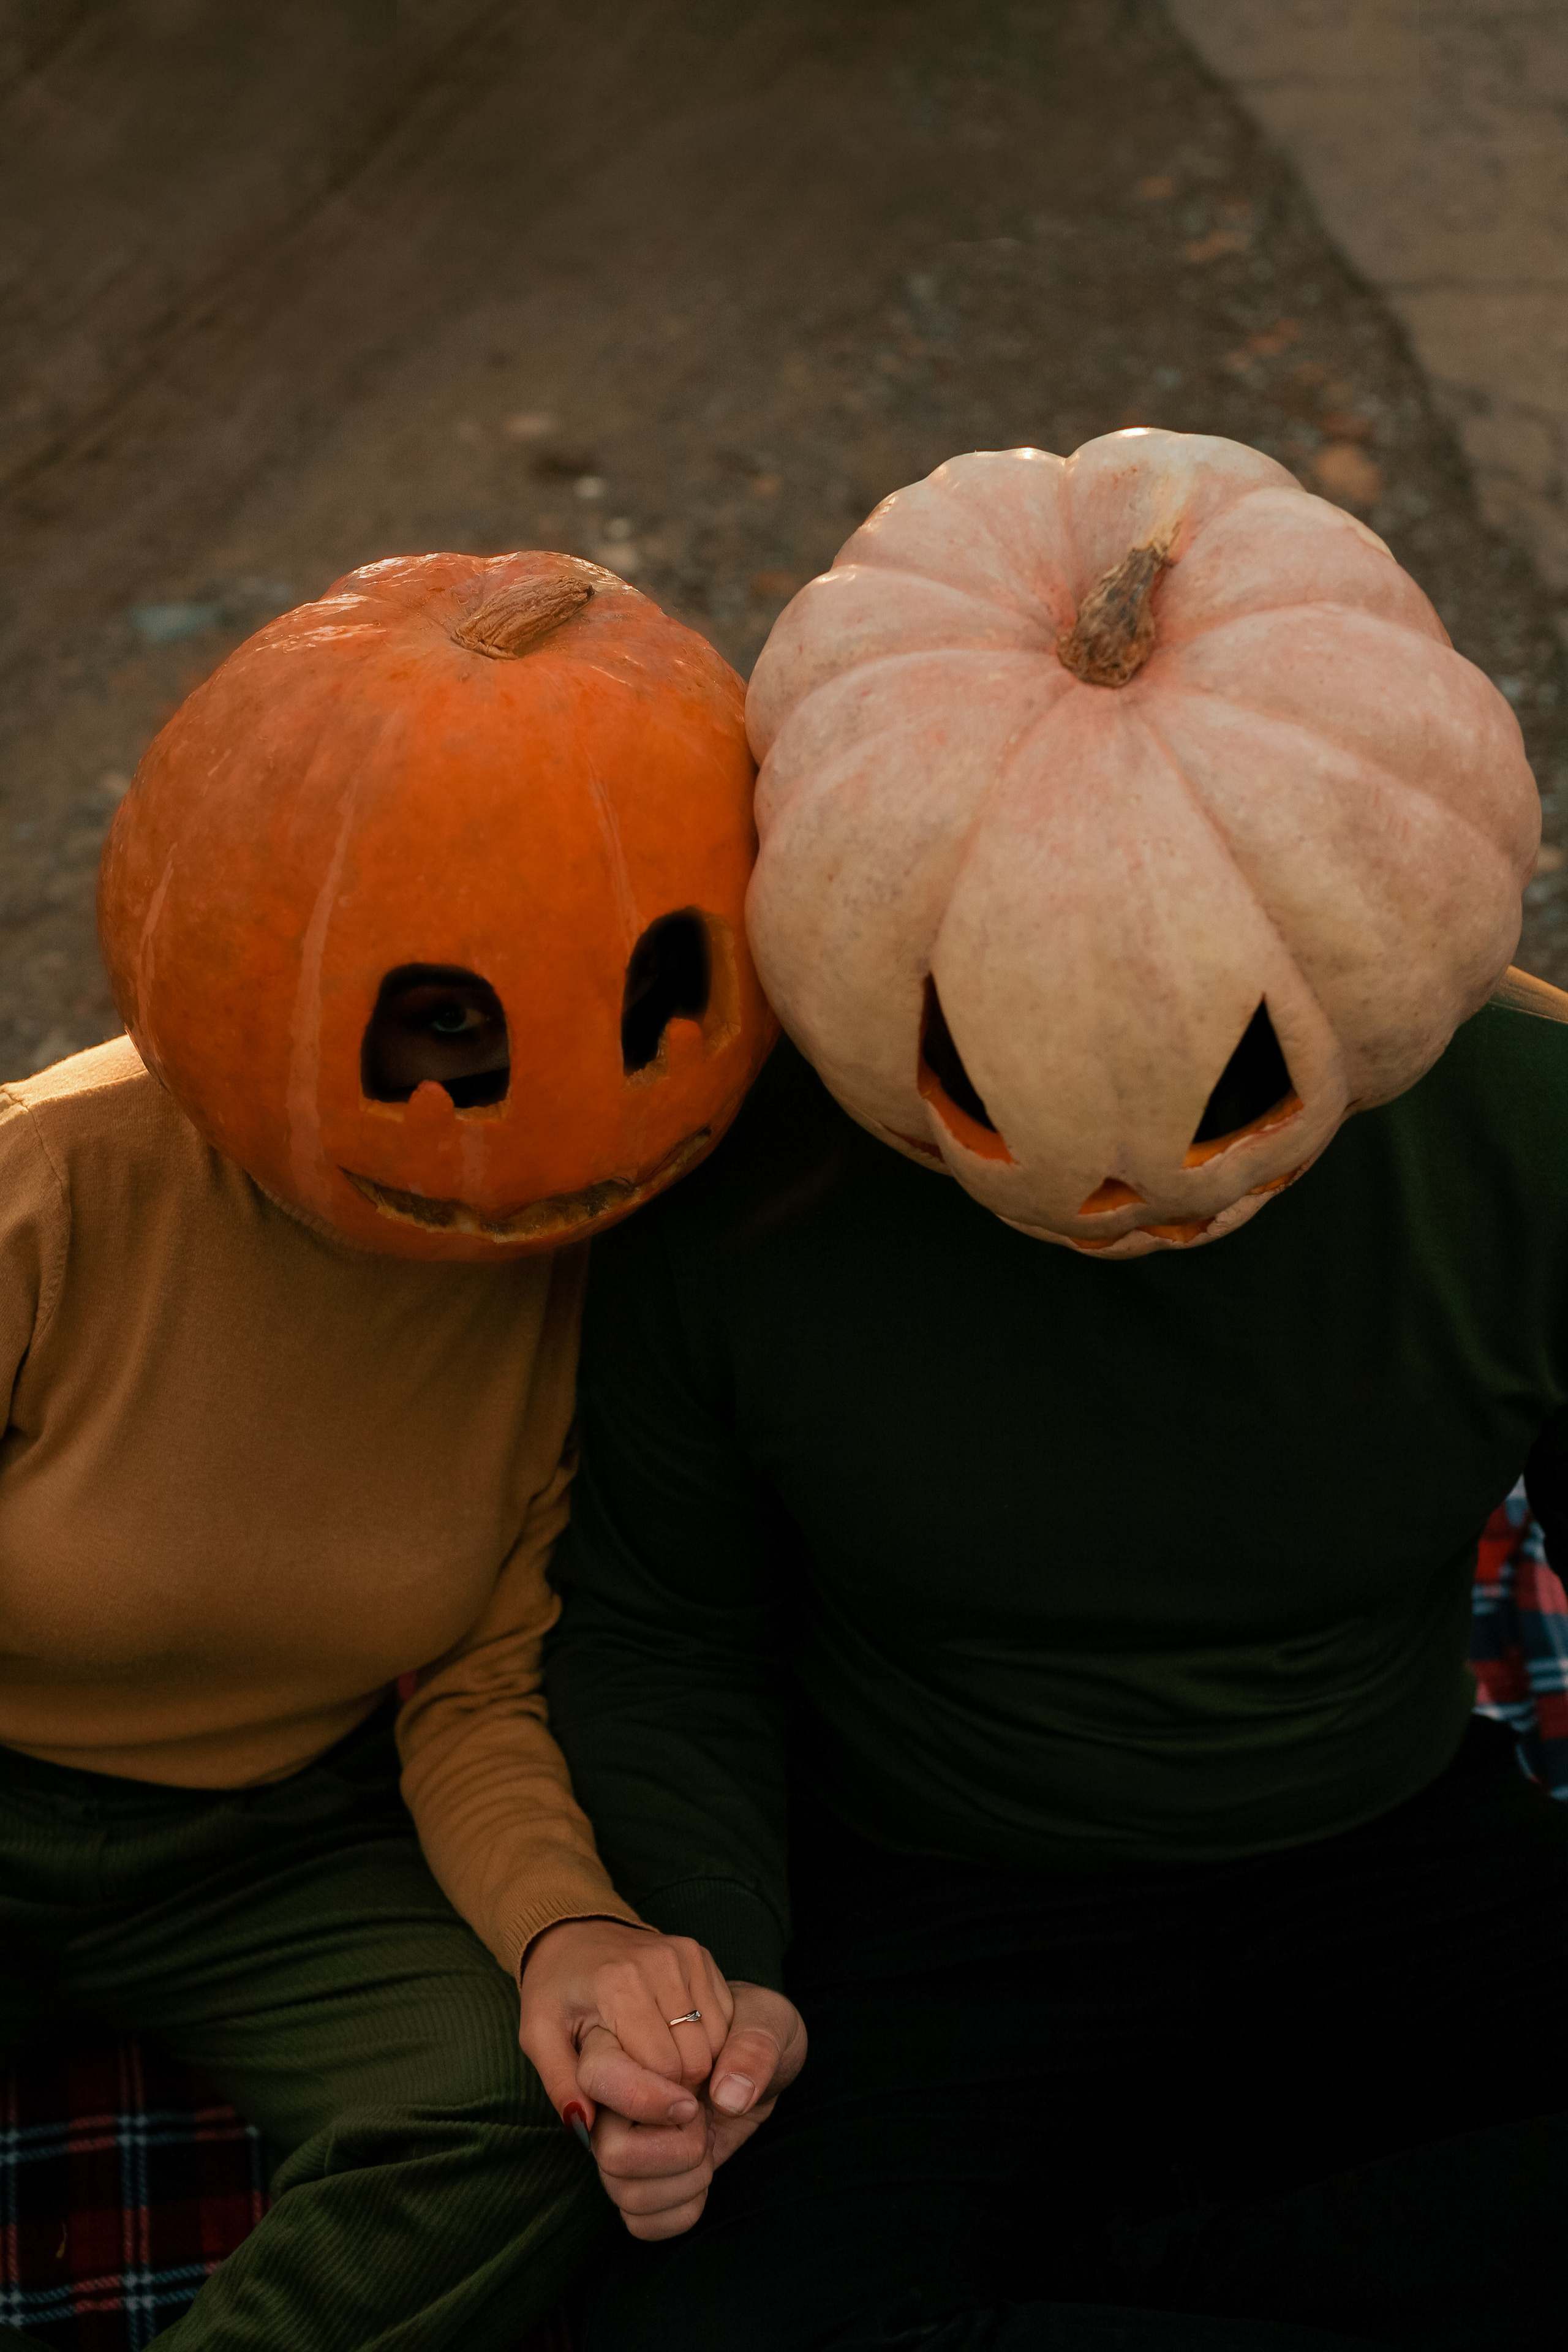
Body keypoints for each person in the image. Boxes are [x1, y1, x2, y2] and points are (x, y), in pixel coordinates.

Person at [542, 436, 1568, 2350]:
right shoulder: (734, 1183)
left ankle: (1134, 2278)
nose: (1113, 1177)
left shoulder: (1527, 1126)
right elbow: (664, 1630)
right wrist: (717, 1963)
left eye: (1220, 1061)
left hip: (1388, 1856)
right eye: (990, 1054)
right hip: (939, 1904)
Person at [0, 549, 774, 2351]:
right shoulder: (56, 1188)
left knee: (519, 2118)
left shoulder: (605, 1276)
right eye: (451, 1023)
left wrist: (570, 1935)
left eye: (634, 1007)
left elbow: (481, 1691)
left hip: (272, 1846)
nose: (529, 1103)